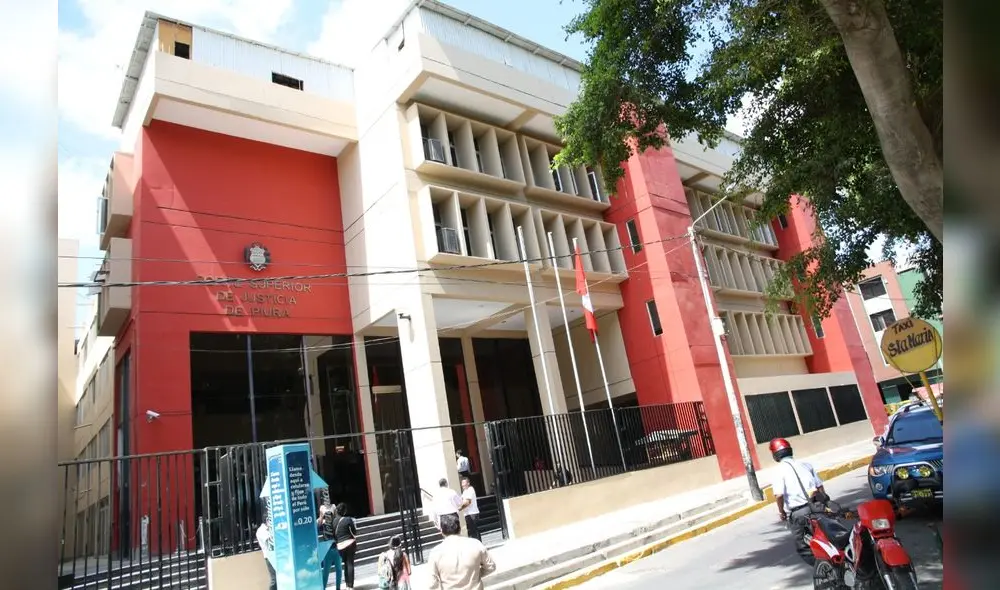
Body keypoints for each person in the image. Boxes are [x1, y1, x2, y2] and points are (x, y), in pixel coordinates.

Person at [770, 437, 827, 566]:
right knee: (828, 536)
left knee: (803, 548)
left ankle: (822, 568)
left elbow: (779, 495)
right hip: (817, 506)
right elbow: (820, 486)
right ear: (790, 451)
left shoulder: (778, 471)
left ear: (775, 455)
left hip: (799, 512)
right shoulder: (806, 465)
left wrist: (781, 512)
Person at [428, 513, 496, 590]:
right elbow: (491, 567)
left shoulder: (435, 553)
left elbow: (432, 583)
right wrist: (476, 574)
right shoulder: (475, 544)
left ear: (441, 531)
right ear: (460, 528)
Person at [331, 503, 359, 590]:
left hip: (340, 546)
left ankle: (347, 584)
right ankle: (350, 586)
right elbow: (354, 532)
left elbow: (334, 535)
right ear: (344, 511)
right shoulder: (348, 519)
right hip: (350, 544)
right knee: (350, 563)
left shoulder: (334, 521)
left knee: (345, 564)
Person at [318, 503, 343, 590]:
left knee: (338, 569)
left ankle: (338, 588)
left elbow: (337, 521)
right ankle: (323, 587)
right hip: (327, 546)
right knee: (326, 570)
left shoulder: (333, 509)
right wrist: (321, 516)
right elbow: (319, 524)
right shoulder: (322, 511)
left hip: (335, 545)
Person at [255, 519, 277, 590]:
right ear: (267, 520)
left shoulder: (271, 528)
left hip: (276, 555)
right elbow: (270, 542)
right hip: (269, 557)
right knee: (274, 579)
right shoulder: (261, 531)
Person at [459, 477, 481, 542]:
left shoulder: (470, 489)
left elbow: (468, 502)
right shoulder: (465, 492)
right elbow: (461, 501)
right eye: (461, 483)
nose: (462, 484)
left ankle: (478, 546)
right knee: (471, 531)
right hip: (468, 514)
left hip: (472, 514)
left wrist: (459, 508)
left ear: (468, 483)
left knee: (474, 531)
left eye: (464, 483)